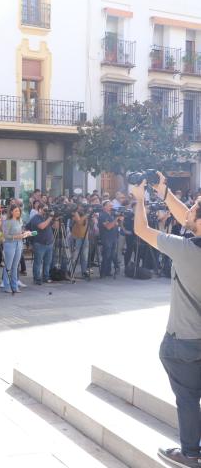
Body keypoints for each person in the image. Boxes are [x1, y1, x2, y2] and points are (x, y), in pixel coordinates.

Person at [126, 174, 201, 468]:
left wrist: (140, 199)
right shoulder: (186, 243)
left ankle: (191, 454)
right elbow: (188, 218)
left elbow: (141, 229)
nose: (190, 209)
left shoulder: (183, 250)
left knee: (187, 398)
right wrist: (166, 193)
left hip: (183, 343)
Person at [2, 206, 32, 293]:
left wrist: (25, 233)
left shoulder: (20, 221)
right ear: (11, 212)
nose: (18, 212)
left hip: (19, 244)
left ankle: (14, 286)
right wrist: (18, 236)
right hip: (10, 244)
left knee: (15, 266)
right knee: (8, 266)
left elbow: (20, 232)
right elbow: (5, 236)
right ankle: (7, 286)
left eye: (18, 211)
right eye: (16, 211)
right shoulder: (7, 222)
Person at [27, 203, 55, 285]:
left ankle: (46, 277)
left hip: (49, 243)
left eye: (47, 209)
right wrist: (50, 217)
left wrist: (56, 218)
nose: (46, 211)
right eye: (44, 210)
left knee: (47, 262)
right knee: (38, 262)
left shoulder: (47, 218)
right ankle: (37, 278)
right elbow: (42, 226)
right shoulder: (36, 218)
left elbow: (55, 227)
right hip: (39, 244)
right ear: (39, 209)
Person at [98, 201, 123, 278]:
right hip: (106, 238)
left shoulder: (112, 214)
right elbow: (108, 227)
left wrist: (120, 219)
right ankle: (103, 273)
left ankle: (108, 271)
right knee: (106, 255)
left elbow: (117, 225)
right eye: (109, 206)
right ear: (104, 207)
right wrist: (116, 219)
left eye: (111, 205)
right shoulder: (102, 215)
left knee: (111, 255)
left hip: (113, 237)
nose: (111, 207)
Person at [70, 205, 91, 278]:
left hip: (85, 237)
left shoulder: (86, 214)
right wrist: (87, 214)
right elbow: (79, 221)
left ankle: (84, 271)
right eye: (81, 207)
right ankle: (70, 271)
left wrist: (92, 216)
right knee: (75, 256)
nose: (82, 208)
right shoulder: (75, 213)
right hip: (77, 237)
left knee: (84, 256)